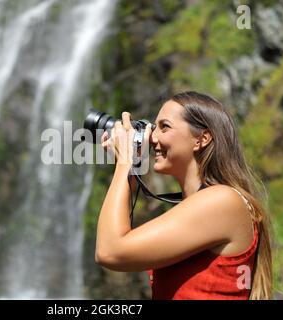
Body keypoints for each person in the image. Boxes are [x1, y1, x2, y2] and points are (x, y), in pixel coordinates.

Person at [95, 91, 272, 300]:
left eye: (164, 127)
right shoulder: (203, 204)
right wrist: (130, 170)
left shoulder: (222, 201)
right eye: (153, 127)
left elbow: (110, 251)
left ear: (201, 139)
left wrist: (125, 161)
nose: (152, 137)